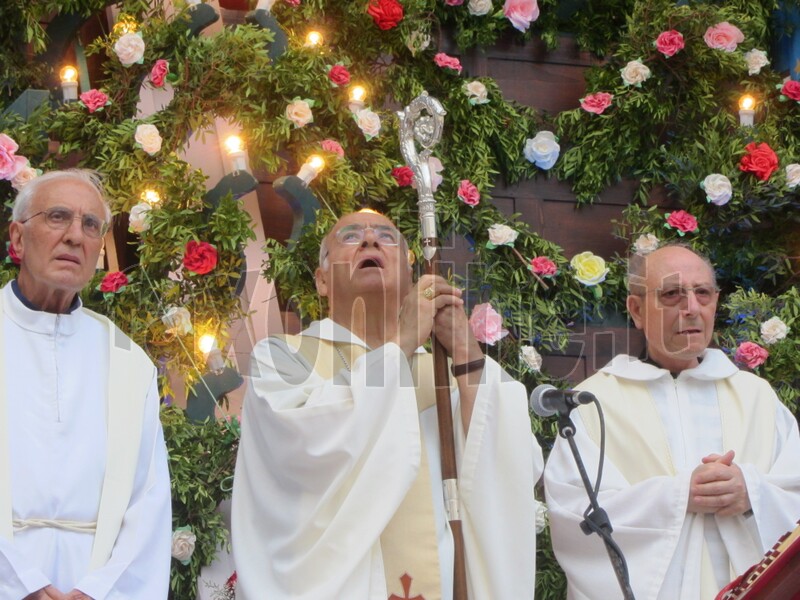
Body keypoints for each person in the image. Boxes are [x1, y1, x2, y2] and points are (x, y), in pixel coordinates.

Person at [232, 210, 543, 599]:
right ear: (322, 280)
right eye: (349, 236)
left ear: (410, 274)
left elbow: (515, 464)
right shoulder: (285, 358)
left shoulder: (449, 375)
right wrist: (404, 339)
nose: (369, 240)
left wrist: (465, 349)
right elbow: (302, 448)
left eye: (386, 235)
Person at [544, 243, 800, 599]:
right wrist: (679, 496)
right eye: (672, 294)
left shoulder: (756, 397)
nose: (692, 308)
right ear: (636, 309)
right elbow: (573, 514)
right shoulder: (595, 404)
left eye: (703, 293)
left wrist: (751, 493)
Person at [0, 169, 171, 599]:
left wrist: (97, 591)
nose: (76, 235)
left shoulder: (127, 360)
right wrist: (23, 585)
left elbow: (148, 499)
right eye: (58, 217)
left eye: (91, 225)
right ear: (17, 239)